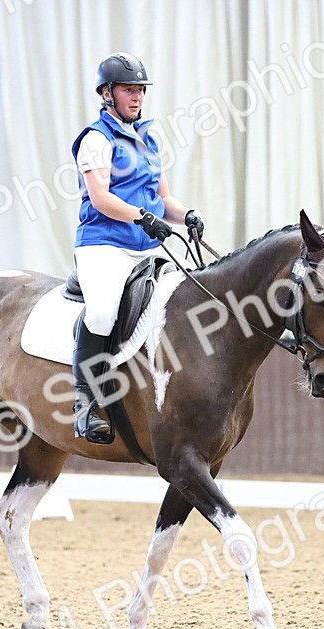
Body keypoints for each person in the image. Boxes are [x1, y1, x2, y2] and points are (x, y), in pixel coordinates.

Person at [70, 52, 205, 444]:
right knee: (101, 312)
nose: (137, 97)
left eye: (140, 90)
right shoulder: (96, 139)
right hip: (104, 245)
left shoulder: (149, 138)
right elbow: (100, 199)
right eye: (129, 90)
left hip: (145, 246)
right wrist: (143, 216)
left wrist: (187, 214)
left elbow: (163, 198)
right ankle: (85, 402)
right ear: (106, 94)